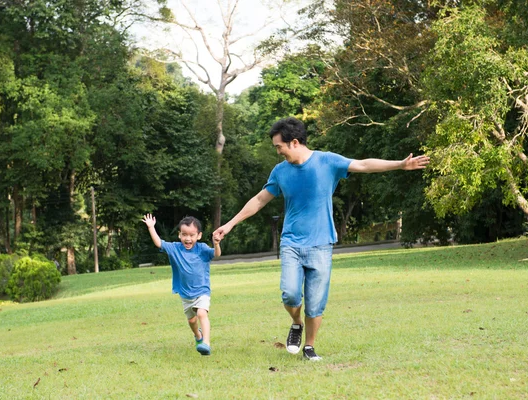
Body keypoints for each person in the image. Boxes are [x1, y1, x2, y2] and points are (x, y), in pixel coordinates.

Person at [213, 117, 429, 361]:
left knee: (316, 303)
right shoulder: (280, 171)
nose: (278, 152)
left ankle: (309, 347)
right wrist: (230, 224)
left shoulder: (327, 161)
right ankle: (296, 323)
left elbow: (363, 165)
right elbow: (260, 200)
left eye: (279, 147)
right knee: (291, 295)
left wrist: (400, 165)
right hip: (292, 243)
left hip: (321, 244)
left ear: (294, 142)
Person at [142, 214, 221, 356]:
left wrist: (216, 244)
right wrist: (151, 227)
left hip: (202, 290)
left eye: (192, 235)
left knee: (202, 313)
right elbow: (159, 243)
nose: (188, 238)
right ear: (179, 235)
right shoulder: (175, 249)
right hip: (185, 294)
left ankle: (206, 343)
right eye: (184, 234)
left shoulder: (202, 249)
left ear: (199, 235)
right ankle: (198, 335)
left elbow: (216, 254)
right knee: (192, 320)